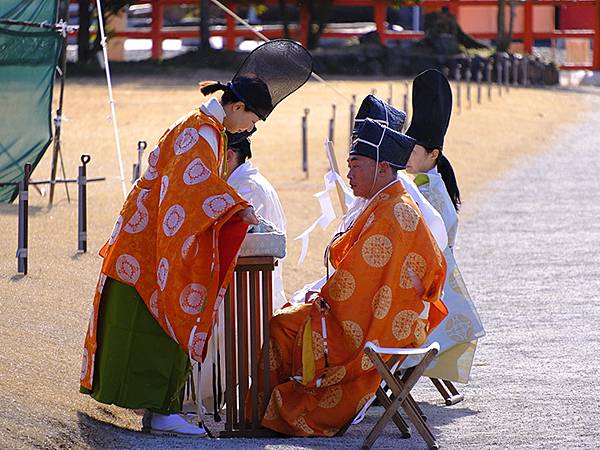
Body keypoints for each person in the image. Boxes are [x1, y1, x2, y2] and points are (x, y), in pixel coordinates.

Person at [79, 40, 313, 436]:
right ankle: (162, 410)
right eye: (254, 118)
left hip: (149, 241)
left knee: (156, 323)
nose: (251, 128)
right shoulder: (202, 131)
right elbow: (195, 189)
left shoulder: (204, 128)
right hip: (152, 247)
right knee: (163, 320)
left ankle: (160, 408)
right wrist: (238, 209)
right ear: (237, 107)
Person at [249, 118, 448, 436]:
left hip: (380, 328)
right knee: (289, 318)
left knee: (282, 325)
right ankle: (267, 412)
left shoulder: (395, 211)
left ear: (383, 168)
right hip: (376, 317)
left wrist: (319, 305)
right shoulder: (385, 202)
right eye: (348, 166)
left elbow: (354, 286)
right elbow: (356, 276)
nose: (350, 175)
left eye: (356, 166)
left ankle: (275, 413)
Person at [402, 69, 484, 383]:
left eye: (413, 151)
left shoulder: (429, 193)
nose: (406, 157)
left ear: (433, 154)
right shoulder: (426, 185)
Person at [200, 136, 288, 413]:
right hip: (248, 285)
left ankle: (194, 399)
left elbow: (239, 241)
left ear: (228, 156)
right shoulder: (244, 183)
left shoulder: (246, 188)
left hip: (248, 289)